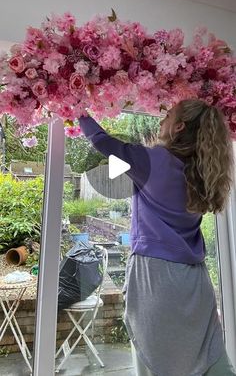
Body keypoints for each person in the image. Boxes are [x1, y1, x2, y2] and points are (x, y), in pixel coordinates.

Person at [79, 99, 236, 376]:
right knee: (212, 362)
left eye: (167, 116)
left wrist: (77, 110)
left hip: (157, 280)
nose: (160, 121)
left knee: (156, 362)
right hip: (195, 283)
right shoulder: (201, 171)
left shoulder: (153, 160)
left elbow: (103, 141)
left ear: (178, 127)